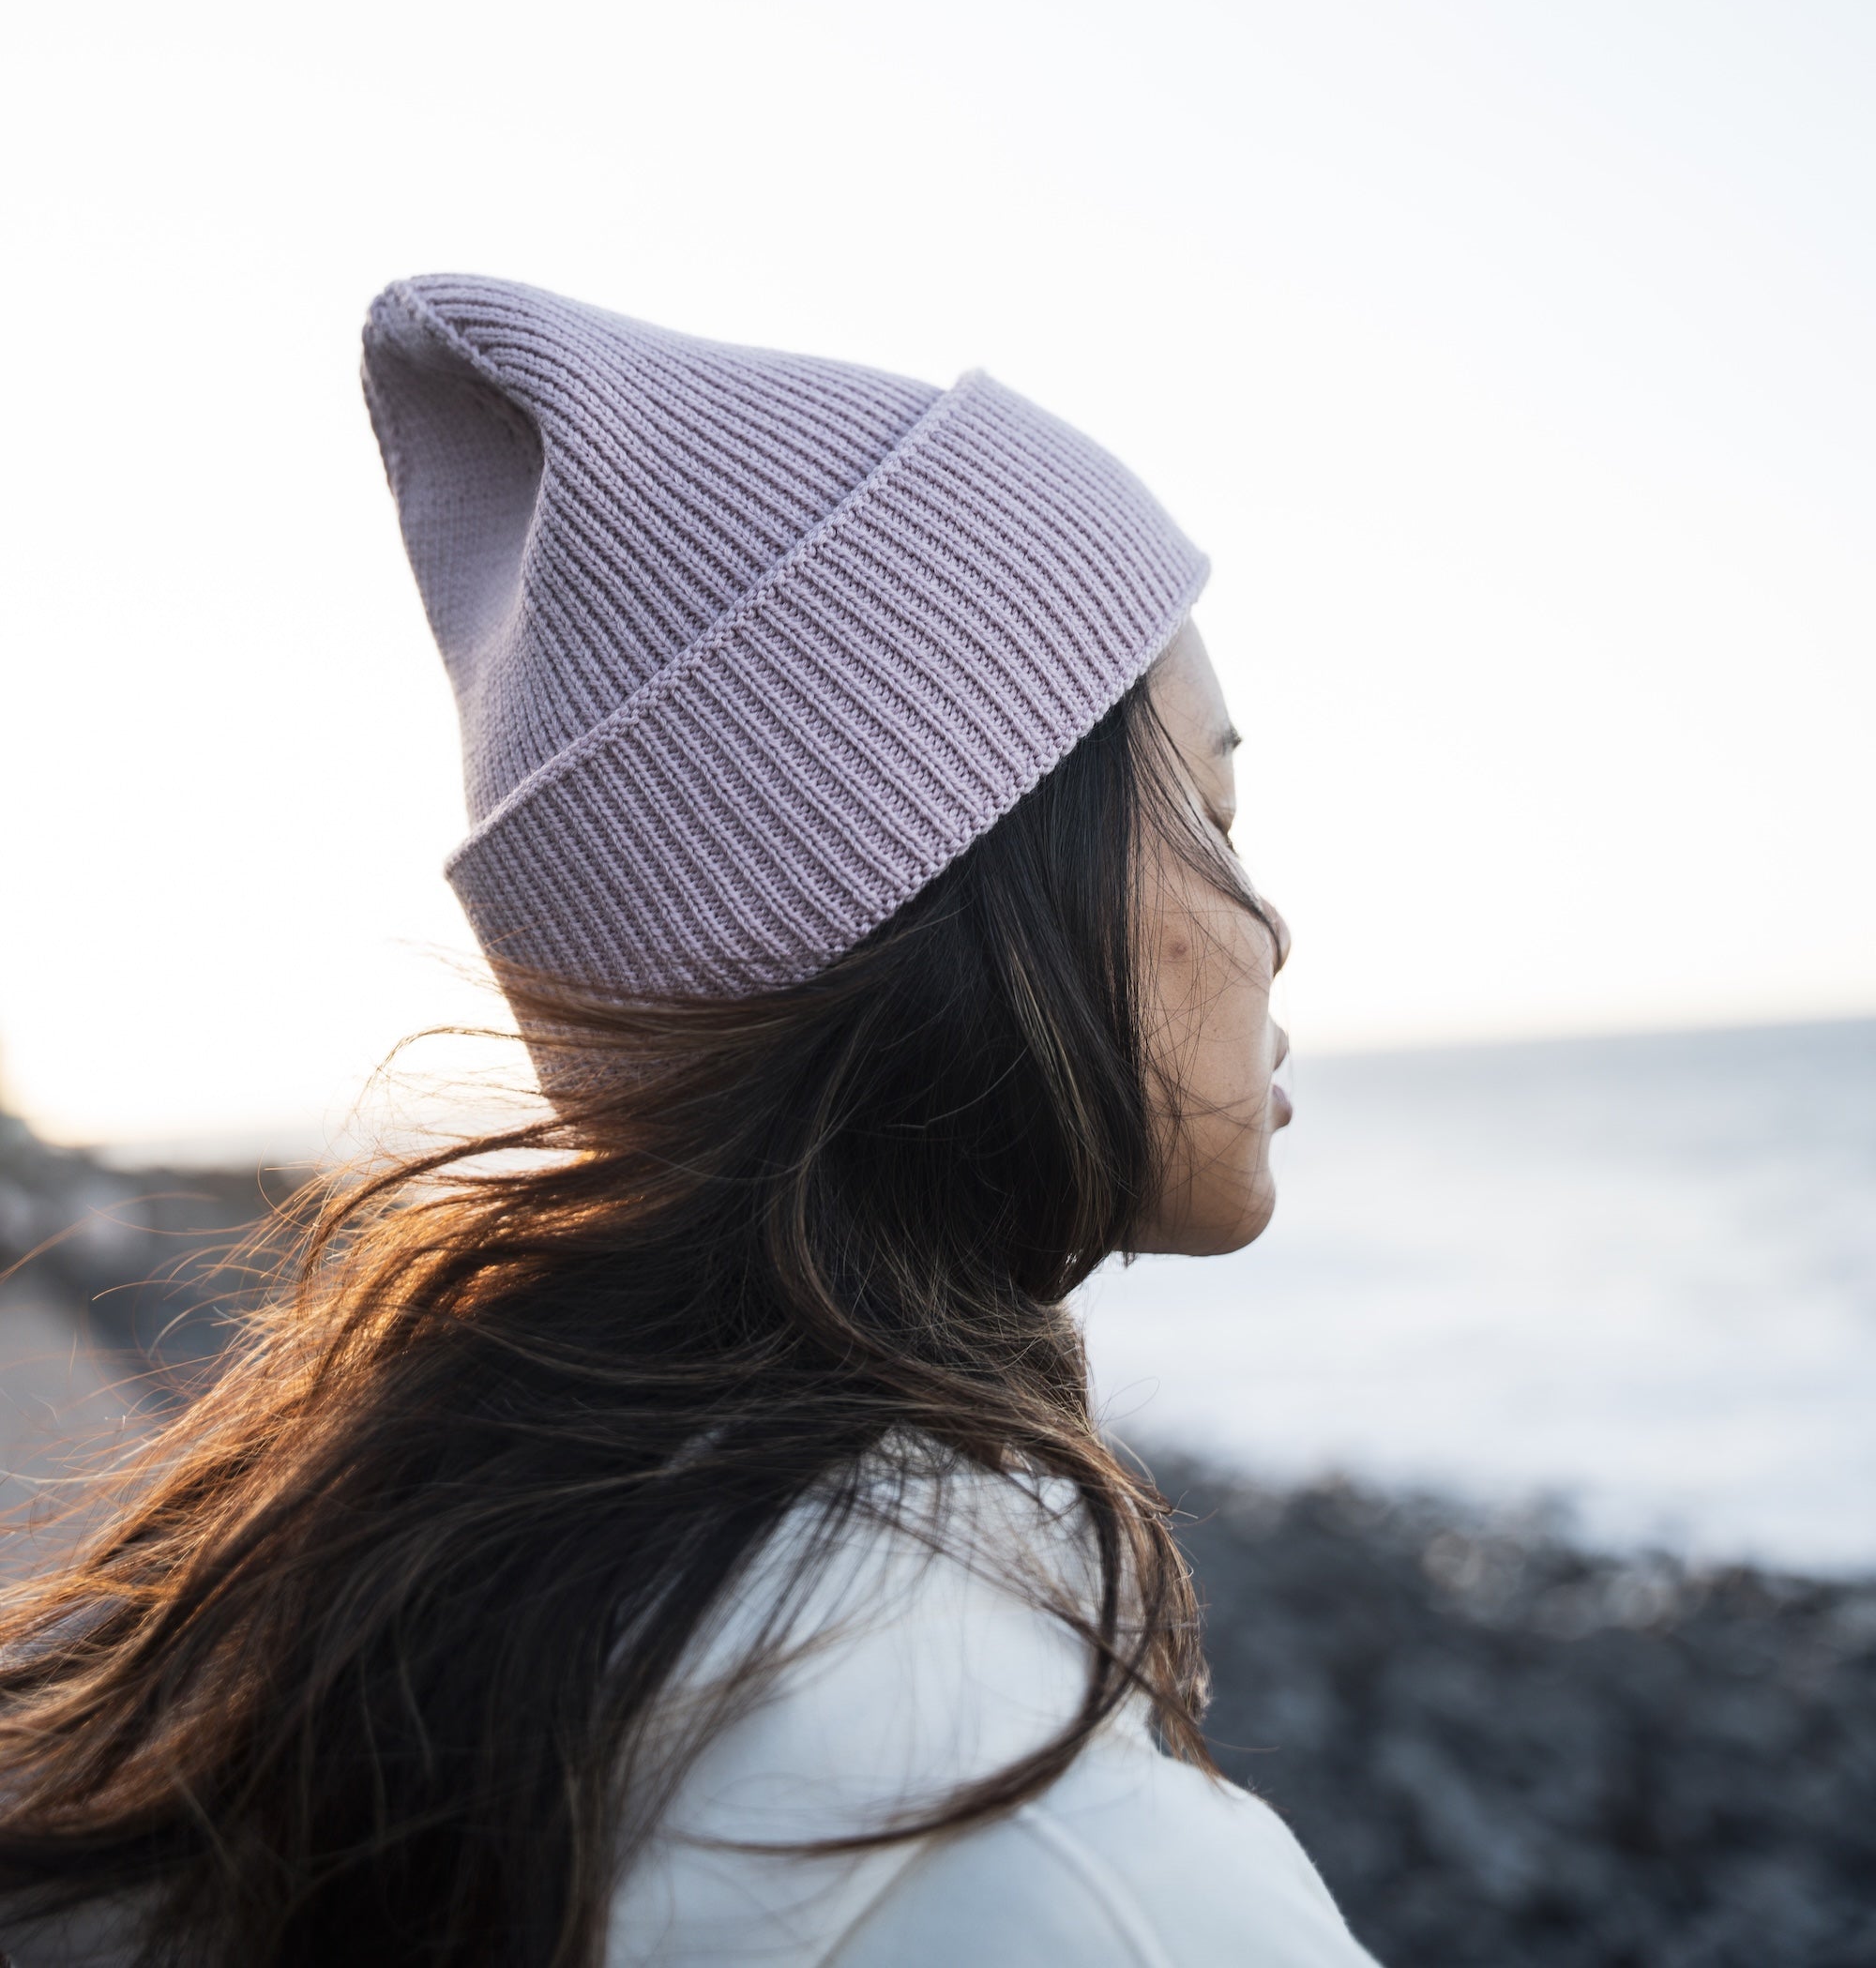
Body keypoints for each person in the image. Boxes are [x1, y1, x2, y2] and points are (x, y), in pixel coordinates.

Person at [0, 277, 1377, 1968]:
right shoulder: (1105, 1888)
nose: (1269, 923)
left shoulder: (390, 1626)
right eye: (1213, 810)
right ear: (972, 896)